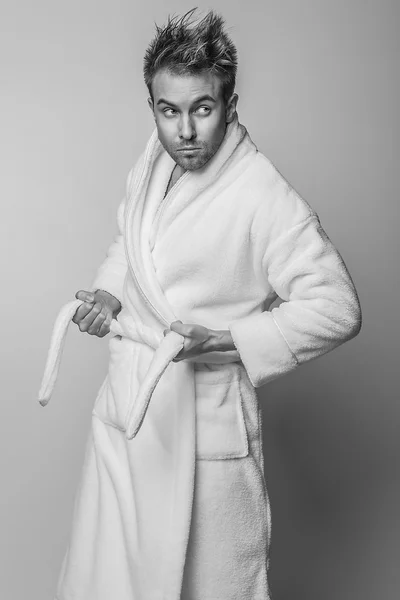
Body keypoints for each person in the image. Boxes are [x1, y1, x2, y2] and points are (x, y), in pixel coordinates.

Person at [41, 8, 362, 600]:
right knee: (108, 582)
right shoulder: (156, 157)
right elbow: (131, 240)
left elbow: (338, 306)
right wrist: (109, 292)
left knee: (211, 586)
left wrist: (227, 342)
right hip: (130, 411)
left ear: (231, 106)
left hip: (205, 429)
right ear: (154, 108)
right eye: (169, 110)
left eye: (202, 109)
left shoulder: (262, 193)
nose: (185, 130)